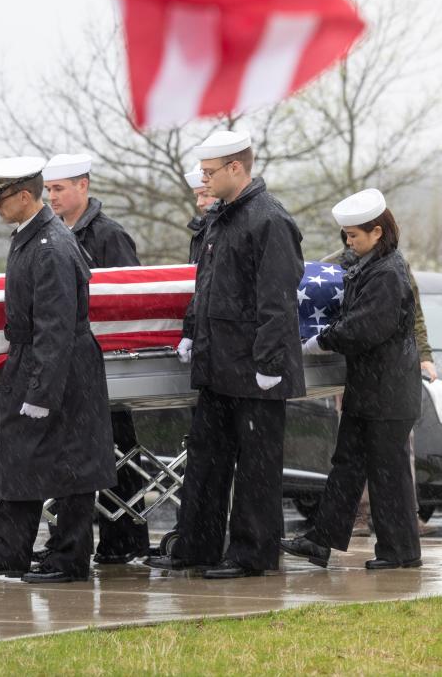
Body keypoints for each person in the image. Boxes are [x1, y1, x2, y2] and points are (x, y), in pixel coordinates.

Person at [145, 130, 306, 579]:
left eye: (210, 172)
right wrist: (192, 333)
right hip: (218, 364)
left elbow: (277, 300)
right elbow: (207, 287)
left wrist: (271, 366)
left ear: (236, 168)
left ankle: (252, 554)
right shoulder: (223, 219)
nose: (204, 179)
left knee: (256, 468)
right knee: (206, 460)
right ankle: (197, 546)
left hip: (255, 368)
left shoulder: (268, 220)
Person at [0, 156, 116, 583]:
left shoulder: (51, 246)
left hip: (60, 366)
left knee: (73, 465)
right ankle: (11, 551)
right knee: (20, 457)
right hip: (35, 358)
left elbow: (56, 326)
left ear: (25, 196)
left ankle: (69, 558)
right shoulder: (33, 238)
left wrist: (42, 393)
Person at [281, 189, 422, 570]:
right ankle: (321, 540)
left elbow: (366, 327)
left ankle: (401, 552)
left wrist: (321, 340)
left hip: (389, 392)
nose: (348, 242)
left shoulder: (388, 273)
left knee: (387, 473)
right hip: (372, 388)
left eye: (354, 236)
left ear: (377, 232)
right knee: (347, 463)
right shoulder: (370, 265)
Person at [38, 153, 148, 566]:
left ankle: (124, 537)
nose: (52, 197)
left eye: (59, 189)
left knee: (117, 450)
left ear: (83, 186)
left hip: (106, 360)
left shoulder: (108, 235)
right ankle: (70, 537)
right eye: (48, 189)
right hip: (72, 358)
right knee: (72, 454)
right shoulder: (53, 234)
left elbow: (128, 299)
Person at [184, 162, 218, 265]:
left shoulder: (232, 230)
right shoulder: (202, 233)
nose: (199, 203)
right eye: (197, 196)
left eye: (205, 195)